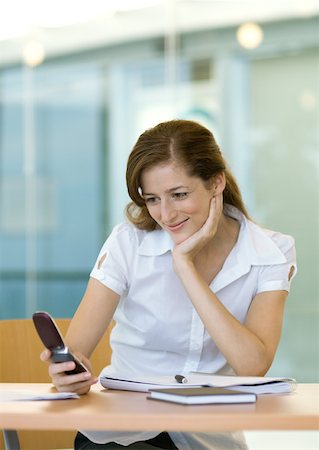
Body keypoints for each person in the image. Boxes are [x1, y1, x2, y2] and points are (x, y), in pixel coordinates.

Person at [41, 119, 297, 450]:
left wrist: (185, 267)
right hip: (120, 435)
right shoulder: (128, 243)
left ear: (216, 183)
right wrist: (69, 375)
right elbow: (76, 350)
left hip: (208, 439)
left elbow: (253, 365)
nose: (166, 214)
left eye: (178, 195)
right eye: (152, 199)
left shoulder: (270, 252)